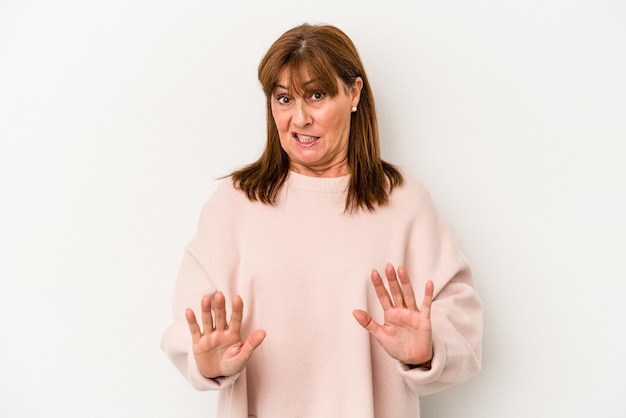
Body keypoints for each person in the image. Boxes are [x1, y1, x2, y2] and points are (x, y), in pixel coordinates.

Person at [161, 23, 482, 417]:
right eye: (283, 99)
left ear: (353, 94)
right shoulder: (234, 203)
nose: (299, 119)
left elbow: (461, 322)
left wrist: (430, 348)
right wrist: (207, 362)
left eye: (316, 95)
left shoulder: (403, 202)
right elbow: (189, 327)